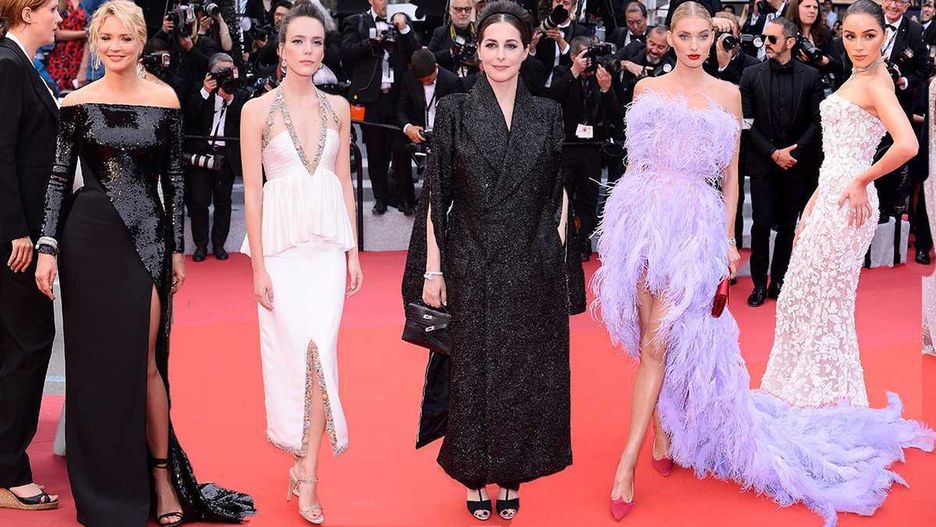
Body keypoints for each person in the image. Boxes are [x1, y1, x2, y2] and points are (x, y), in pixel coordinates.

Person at [596, 2, 934, 525]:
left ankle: (626, 466)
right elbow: (632, 161)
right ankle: (661, 430)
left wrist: (728, 238)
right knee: (647, 339)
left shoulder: (729, 94)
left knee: (659, 343)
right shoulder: (645, 90)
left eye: (703, 35)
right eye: (684, 35)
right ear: (669, 37)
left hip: (693, 221)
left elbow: (731, 175)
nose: (693, 45)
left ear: (715, 38)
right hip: (641, 219)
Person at [33, 2, 254, 525]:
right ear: (95, 42)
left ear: (140, 42)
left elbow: (174, 180)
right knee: (93, 366)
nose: (115, 47)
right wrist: (47, 245)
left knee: (147, 360)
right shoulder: (76, 101)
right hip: (87, 242)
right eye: (106, 38)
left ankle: (159, 477)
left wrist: (176, 249)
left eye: (125, 38)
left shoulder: (165, 98)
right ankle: (102, 486)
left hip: (146, 241)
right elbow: (59, 179)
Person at [402, 1, 585, 521]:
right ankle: (472, 474)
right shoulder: (455, 110)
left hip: (530, 261)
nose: (501, 55)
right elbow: (436, 195)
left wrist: (556, 259)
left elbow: (557, 193)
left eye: (511, 45)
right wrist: (433, 270)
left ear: (527, 50)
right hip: (471, 260)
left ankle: (510, 472)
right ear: (477, 51)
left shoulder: (547, 113)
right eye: (491, 45)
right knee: (473, 374)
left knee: (522, 374)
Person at [761, 1, 920, 402]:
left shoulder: (876, 82)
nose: (858, 45)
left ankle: (820, 400)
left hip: (849, 204)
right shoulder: (857, 75)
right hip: (829, 195)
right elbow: (835, 156)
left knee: (822, 300)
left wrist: (863, 179)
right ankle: (807, 394)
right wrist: (813, 203)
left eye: (869, 36)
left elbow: (907, 144)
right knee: (801, 297)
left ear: (884, 36)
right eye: (850, 36)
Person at [240, 1, 362, 524]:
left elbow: (344, 183)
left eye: (316, 42)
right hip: (283, 253)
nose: (308, 50)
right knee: (295, 358)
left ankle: (308, 473)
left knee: (322, 356)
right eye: (298, 41)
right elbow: (253, 193)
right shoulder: (256, 111)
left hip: (327, 252)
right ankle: (298, 456)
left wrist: (353, 251)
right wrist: (258, 267)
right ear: (281, 48)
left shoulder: (338, 107)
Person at [0, 0, 61, 512]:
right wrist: (18, 230)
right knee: (29, 343)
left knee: (15, 346)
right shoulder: (8, 65)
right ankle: (9, 472)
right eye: (53, 9)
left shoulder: (21, 64)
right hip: (15, 239)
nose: (61, 19)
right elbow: (0, 153)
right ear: (26, 12)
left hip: (19, 230)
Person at [739, 17, 823, 307]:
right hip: (764, 164)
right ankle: (758, 285)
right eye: (764, 38)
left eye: (772, 39)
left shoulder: (811, 76)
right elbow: (746, 122)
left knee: (788, 225)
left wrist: (792, 153)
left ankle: (778, 280)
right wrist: (773, 153)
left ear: (790, 42)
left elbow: (817, 121)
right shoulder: (751, 75)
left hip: (797, 165)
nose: (766, 43)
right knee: (761, 223)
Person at [340, 0, 417, 215]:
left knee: (401, 150)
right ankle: (380, 198)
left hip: (398, 96)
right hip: (372, 98)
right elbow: (346, 52)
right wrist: (371, 42)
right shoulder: (356, 22)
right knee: (375, 151)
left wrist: (405, 29)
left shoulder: (401, 21)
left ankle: (406, 199)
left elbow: (415, 53)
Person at [549, 35, 620, 261]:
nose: (589, 61)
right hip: (567, 147)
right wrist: (574, 72)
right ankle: (563, 241)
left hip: (593, 148)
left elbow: (616, 114)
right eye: (584, 56)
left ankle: (583, 241)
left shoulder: (602, 75)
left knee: (589, 197)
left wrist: (607, 89)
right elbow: (552, 99)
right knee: (564, 196)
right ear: (573, 56)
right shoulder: (563, 73)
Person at [185, 52, 249, 262]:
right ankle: (200, 245)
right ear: (210, 71)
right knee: (199, 202)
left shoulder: (239, 93)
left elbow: (245, 120)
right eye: (221, 71)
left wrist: (230, 100)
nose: (225, 75)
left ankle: (219, 244)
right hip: (201, 153)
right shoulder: (199, 89)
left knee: (223, 202)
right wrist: (205, 91)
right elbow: (189, 116)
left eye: (229, 71)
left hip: (225, 156)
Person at [427, 0, 479, 77]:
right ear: (450, 11)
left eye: (467, 9)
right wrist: (451, 52)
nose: (463, 13)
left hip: (474, 78)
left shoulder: (480, 31)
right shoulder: (440, 33)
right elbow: (429, 58)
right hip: (448, 79)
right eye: (458, 9)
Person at [45, 0, 88, 91]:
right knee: (58, 91)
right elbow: (58, 34)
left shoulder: (87, 3)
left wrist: (84, 67)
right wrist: (85, 33)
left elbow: (91, 37)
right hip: (60, 56)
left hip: (79, 57)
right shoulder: (58, 2)